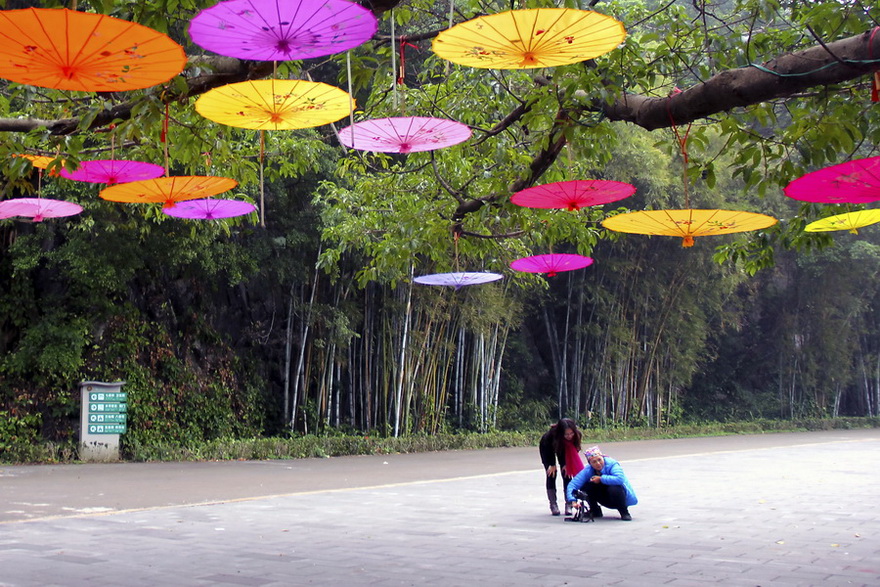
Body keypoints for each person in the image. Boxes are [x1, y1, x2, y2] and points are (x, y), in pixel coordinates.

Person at [566, 445, 637, 521]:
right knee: (586, 486)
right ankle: (595, 510)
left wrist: (601, 479)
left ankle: (624, 512)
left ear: (603, 458)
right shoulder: (588, 470)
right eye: (594, 462)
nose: (598, 463)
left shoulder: (612, 464)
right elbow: (572, 485)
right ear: (590, 464)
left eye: (599, 460)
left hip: (621, 497)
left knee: (614, 488)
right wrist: (573, 500)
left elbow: (620, 479)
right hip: (604, 498)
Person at [538, 418, 584, 516]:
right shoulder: (550, 436)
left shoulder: (577, 435)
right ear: (561, 433)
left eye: (571, 433)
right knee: (551, 474)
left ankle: (569, 503)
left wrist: (567, 464)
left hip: (565, 450)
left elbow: (575, 450)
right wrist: (551, 464)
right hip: (548, 450)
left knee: (567, 474)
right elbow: (547, 451)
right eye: (566, 434)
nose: (569, 436)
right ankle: (553, 504)